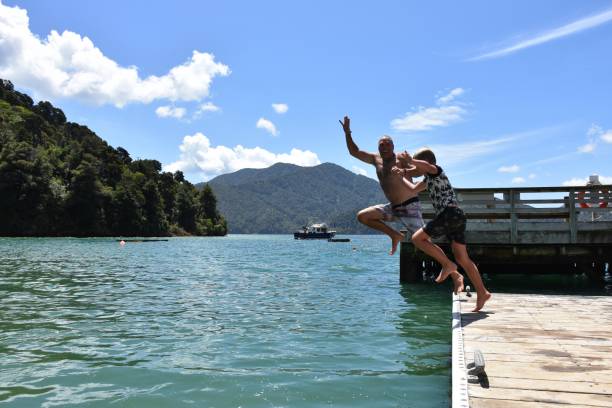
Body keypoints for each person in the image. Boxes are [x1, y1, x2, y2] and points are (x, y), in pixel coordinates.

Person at [404, 148, 491, 311]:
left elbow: (425, 166)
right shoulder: (427, 180)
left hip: (449, 213)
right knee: (463, 258)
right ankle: (482, 292)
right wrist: (400, 174)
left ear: (428, 164)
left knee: (417, 239)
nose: (415, 170)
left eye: (417, 166)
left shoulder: (436, 171)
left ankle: (448, 265)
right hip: (457, 216)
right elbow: (412, 189)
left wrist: (411, 161)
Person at [340, 116, 423, 255]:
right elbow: (354, 152)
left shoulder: (401, 159)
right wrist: (347, 132)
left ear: (393, 146)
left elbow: (419, 172)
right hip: (393, 208)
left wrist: (407, 165)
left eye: (387, 144)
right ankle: (394, 235)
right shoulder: (375, 159)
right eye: (381, 145)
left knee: (423, 244)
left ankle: (451, 268)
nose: (384, 147)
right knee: (363, 216)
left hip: (410, 207)